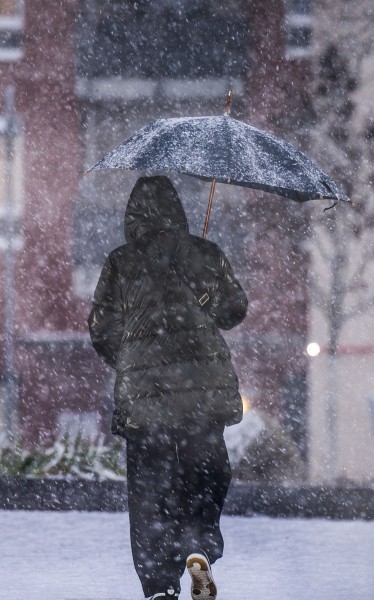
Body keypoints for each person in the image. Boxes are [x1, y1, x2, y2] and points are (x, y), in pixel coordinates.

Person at [88, 176, 248, 600]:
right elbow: (234, 311)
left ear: (133, 216)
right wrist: (205, 283)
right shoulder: (205, 253)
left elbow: (102, 329)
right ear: (178, 211)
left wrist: (131, 361)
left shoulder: (121, 262)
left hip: (146, 400)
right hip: (203, 394)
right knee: (206, 473)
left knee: (150, 490)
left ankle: (159, 584)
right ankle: (198, 547)